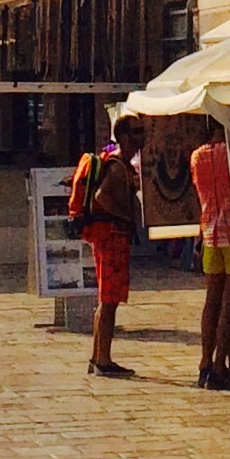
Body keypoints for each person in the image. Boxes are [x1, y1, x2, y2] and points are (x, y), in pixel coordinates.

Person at [78, 117, 143, 380]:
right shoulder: (117, 167)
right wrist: (123, 217)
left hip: (110, 236)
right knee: (110, 301)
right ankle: (104, 359)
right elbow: (101, 197)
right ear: (125, 136)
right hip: (112, 236)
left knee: (107, 300)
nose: (144, 137)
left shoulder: (119, 164)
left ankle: (98, 357)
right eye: (138, 132)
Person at [190, 128, 230, 391]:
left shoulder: (197, 156)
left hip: (210, 233)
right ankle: (218, 369)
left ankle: (205, 362)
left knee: (211, 302)